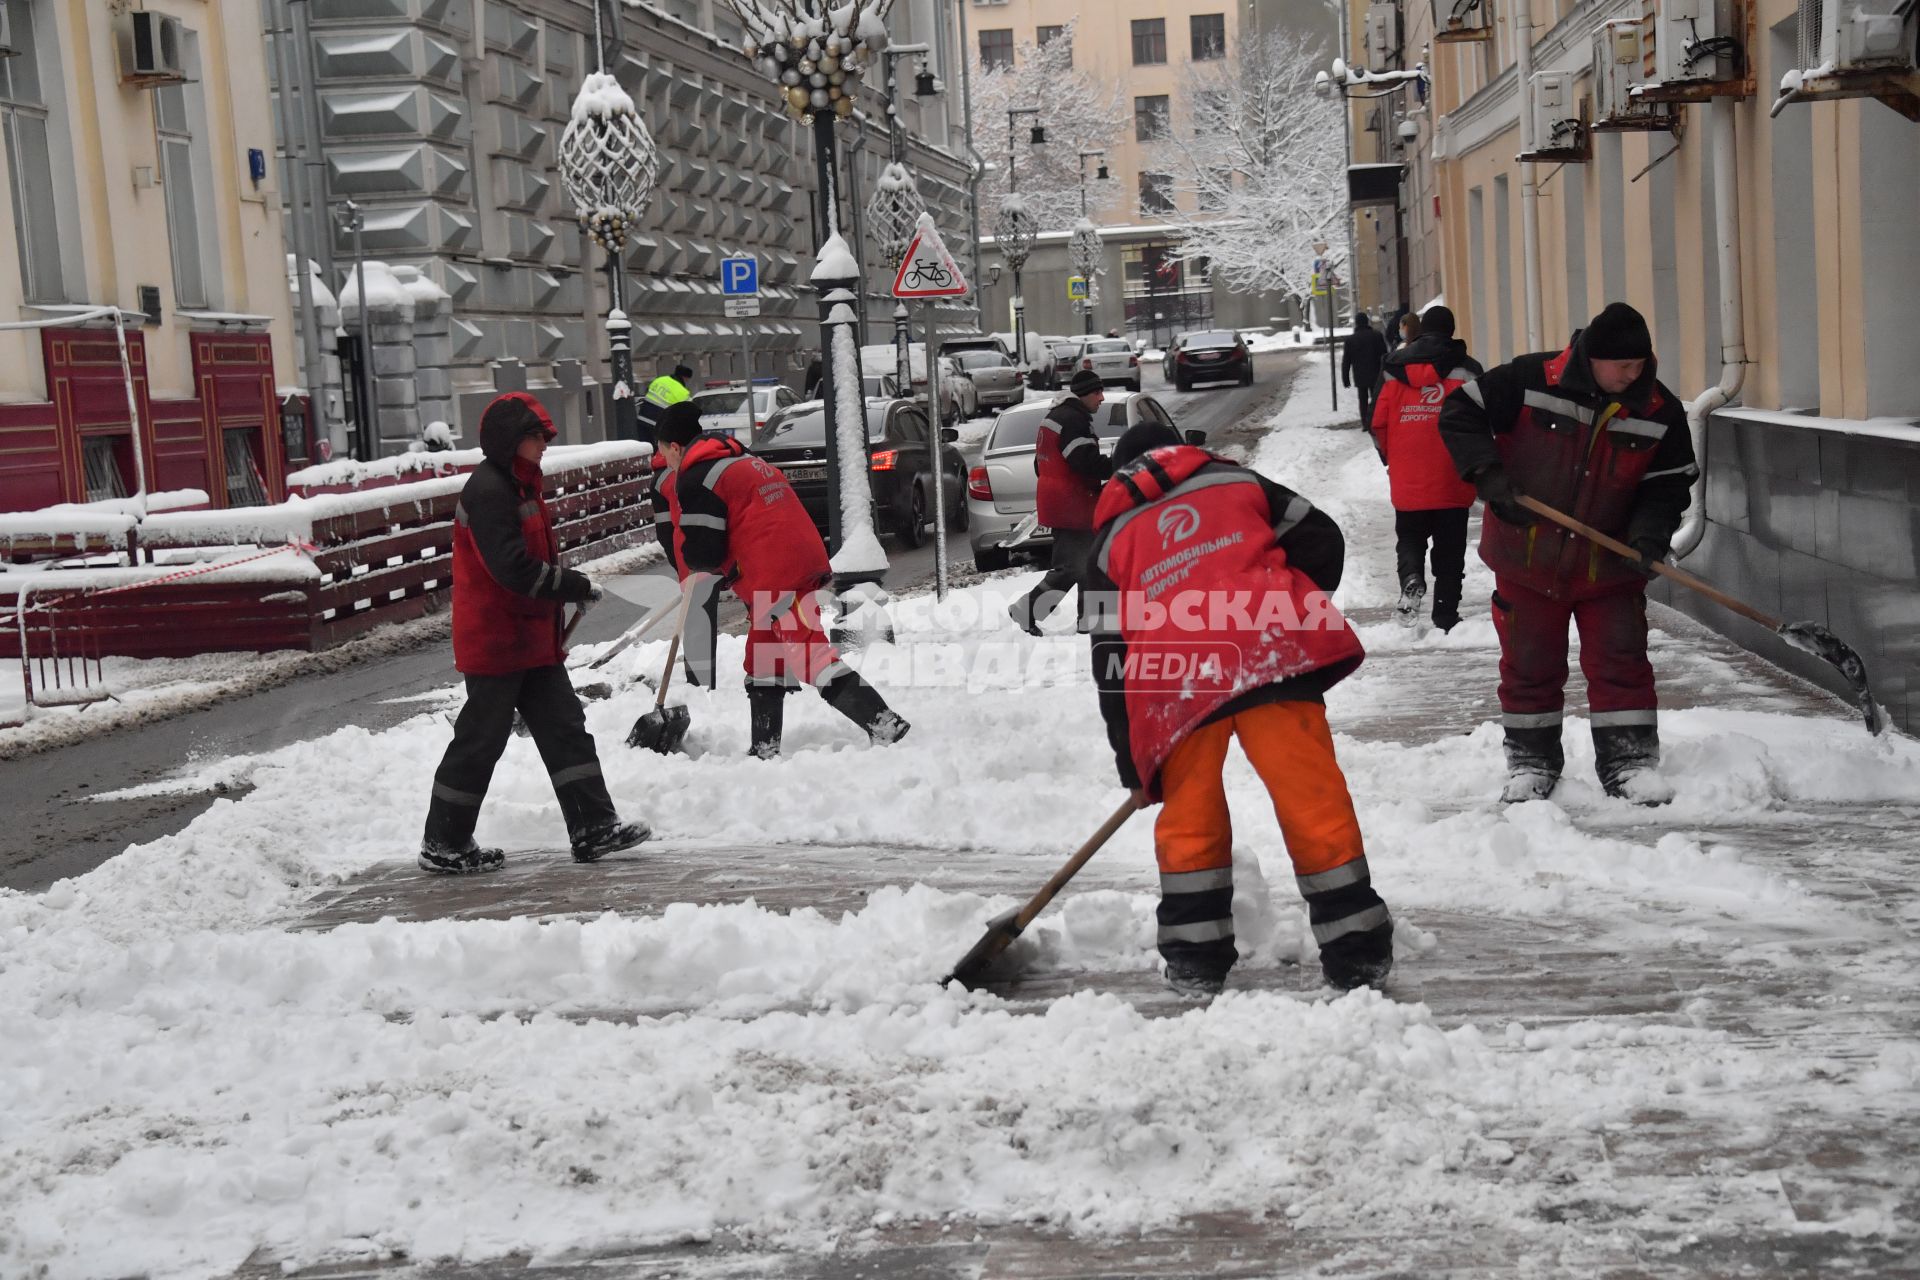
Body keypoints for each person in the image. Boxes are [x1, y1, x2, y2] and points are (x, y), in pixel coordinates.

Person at [1083, 420, 1393, 998]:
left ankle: (1195, 962)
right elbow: (1321, 535)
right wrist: (1289, 607)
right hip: (1271, 656)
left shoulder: (1107, 540)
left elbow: (1109, 659)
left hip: (1174, 686)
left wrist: (1133, 760)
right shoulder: (1232, 480)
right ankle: (1357, 954)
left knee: (1189, 818)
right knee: (1313, 801)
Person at [1439, 302, 1698, 805]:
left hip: (1610, 564)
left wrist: (1648, 536)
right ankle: (1531, 763)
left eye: (1640, 364)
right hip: (1526, 557)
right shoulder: (1530, 379)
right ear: (1593, 358)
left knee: (1621, 662)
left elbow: (1667, 487)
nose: (1633, 374)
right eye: (1623, 365)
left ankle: (1630, 762)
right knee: (1528, 664)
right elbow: (1460, 410)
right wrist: (1487, 473)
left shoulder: (1659, 409)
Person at [419, 392, 651, 873]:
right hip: (497, 642)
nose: (545, 444)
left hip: (531, 641)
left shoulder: (520, 486)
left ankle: (593, 828)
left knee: (566, 730)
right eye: (536, 437)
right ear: (511, 442)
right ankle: (444, 843)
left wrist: (562, 593)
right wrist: (572, 586)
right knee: (480, 741)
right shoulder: (489, 492)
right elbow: (512, 569)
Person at [655, 406, 910, 758]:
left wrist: (700, 570)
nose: (662, 459)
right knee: (763, 656)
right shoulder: (739, 460)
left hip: (775, 572)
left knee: (809, 655)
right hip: (797, 556)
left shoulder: (696, 475)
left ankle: (884, 723)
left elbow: (705, 551)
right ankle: (764, 747)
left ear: (675, 448)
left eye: (662, 450)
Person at [1368, 305, 1484, 632]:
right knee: (1450, 551)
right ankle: (1445, 615)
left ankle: (1411, 577)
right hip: (1453, 473)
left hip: (1408, 476)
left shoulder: (1393, 369)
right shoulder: (1468, 370)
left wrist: (1393, 458)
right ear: (1451, 330)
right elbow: (1482, 419)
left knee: (1410, 537)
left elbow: (1376, 422)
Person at [1009, 369, 1111, 635]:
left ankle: (1089, 619)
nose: (1102, 398)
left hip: (1062, 502)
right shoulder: (1074, 420)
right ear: (1084, 394)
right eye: (1097, 392)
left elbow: (1038, 464)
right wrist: (1117, 466)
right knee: (1073, 566)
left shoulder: (1056, 417)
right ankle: (1029, 610)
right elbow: (1084, 462)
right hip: (1072, 505)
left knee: (1086, 561)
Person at [648, 404, 721, 688]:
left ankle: (700, 686)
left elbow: (666, 533)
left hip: (691, 558)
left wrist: (681, 566)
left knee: (698, 624)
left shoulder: (663, 478)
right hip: (720, 552)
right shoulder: (715, 461)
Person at [1341, 314, 1389, 429]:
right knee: (1376, 398)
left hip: (1360, 375)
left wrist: (1345, 378)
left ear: (1356, 323)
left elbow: (1346, 361)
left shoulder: (1350, 340)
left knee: (1362, 399)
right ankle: (1377, 420)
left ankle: (1365, 423)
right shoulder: (1377, 336)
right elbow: (1385, 355)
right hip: (1376, 374)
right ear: (1367, 322)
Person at [635, 363, 693, 444]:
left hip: (643, 420)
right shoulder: (682, 392)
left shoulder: (659, 380)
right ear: (685, 378)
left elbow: (647, 393)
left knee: (646, 449)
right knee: (659, 452)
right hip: (659, 427)